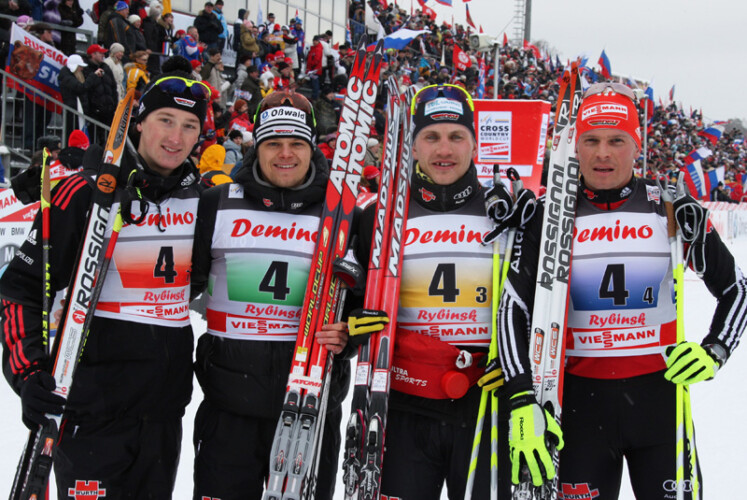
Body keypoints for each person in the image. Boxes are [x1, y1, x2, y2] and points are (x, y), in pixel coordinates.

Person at [497, 82, 747, 499]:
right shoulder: (548, 215)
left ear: (636, 145)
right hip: (578, 408)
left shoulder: (670, 209)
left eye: (616, 140)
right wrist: (521, 394)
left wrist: (715, 349)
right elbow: (513, 306)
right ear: (575, 147)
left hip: (660, 404)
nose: (603, 153)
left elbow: (736, 289)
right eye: (591, 141)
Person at [0, 70, 209, 498]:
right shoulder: (84, 192)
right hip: (90, 412)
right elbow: (20, 289)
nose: (176, 137)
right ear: (139, 123)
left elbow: (199, 282)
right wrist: (29, 372)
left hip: (162, 415)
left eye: (190, 126)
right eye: (165, 120)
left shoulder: (202, 202)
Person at [190, 90, 353, 500]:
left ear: (312, 148)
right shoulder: (216, 203)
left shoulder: (342, 213)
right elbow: (179, 285)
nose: (285, 154)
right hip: (230, 407)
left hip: (311, 404)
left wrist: (349, 334)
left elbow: (365, 302)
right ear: (256, 147)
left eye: (297, 143)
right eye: (273, 143)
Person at [355, 84, 512, 499]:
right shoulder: (380, 216)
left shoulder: (505, 213)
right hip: (403, 403)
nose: (444, 149)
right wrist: (351, 323)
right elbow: (354, 301)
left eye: (457, 136)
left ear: (475, 144)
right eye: (431, 136)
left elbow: (532, 304)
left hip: (485, 401)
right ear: (413, 146)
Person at [84, 44, 118, 144]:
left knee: (108, 141)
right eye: (100, 53)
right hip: (94, 112)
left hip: (108, 111)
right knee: (95, 140)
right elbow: (85, 89)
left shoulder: (106, 67)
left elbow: (113, 87)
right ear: (93, 55)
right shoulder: (86, 69)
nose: (103, 55)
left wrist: (114, 105)